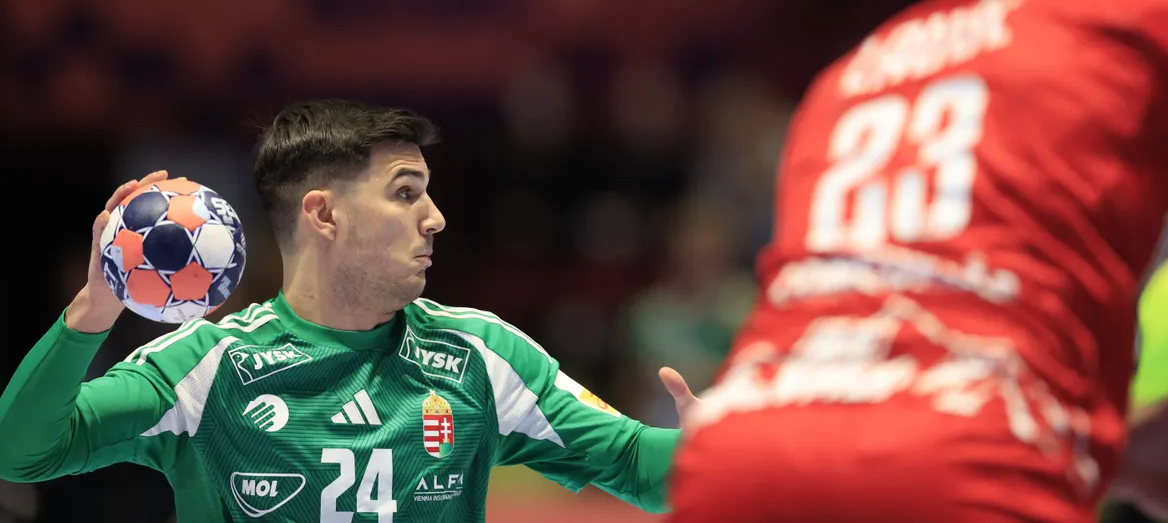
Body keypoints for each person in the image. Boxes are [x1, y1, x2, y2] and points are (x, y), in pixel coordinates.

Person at [665, 0, 1168, 521]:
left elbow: (900, 337)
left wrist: (1114, 453)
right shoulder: (1122, 23)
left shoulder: (846, 80)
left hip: (740, 452)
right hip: (970, 451)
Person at [0, 99, 699, 522]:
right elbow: (20, 452)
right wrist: (91, 310)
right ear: (324, 214)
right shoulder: (204, 367)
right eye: (406, 193)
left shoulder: (482, 358)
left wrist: (724, 448)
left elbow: (638, 467)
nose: (436, 218)